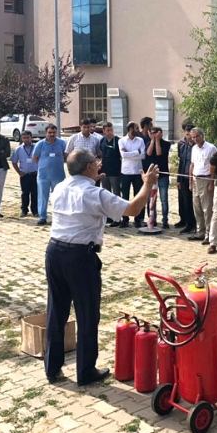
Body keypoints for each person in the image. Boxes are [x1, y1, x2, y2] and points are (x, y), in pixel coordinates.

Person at [44, 149, 159, 386]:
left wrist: (91, 180)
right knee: (87, 315)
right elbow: (133, 209)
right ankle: (85, 371)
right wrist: (147, 184)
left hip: (55, 252)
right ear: (88, 168)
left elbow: (81, 194)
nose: (98, 165)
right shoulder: (96, 194)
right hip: (80, 257)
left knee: (57, 312)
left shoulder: (61, 187)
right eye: (95, 163)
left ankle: (52, 368)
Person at [33, 124, 67, 226]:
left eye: (53, 133)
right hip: (43, 176)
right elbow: (35, 158)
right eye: (49, 132)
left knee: (59, 197)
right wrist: (44, 165)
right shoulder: (40, 144)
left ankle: (59, 217)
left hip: (58, 176)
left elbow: (66, 156)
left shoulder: (62, 143)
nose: (52, 134)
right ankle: (43, 217)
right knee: (43, 197)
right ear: (46, 133)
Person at [188, 127, 217, 243]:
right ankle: (200, 232)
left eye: (197, 136)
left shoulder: (211, 148)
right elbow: (192, 165)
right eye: (193, 137)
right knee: (197, 208)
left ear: (202, 136)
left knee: (207, 209)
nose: (195, 139)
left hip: (206, 180)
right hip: (195, 179)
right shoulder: (194, 148)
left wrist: (211, 183)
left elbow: (214, 168)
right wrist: (190, 182)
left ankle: (209, 234)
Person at [118, 121, 146, 228]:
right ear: (130, 129)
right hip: (126, 172)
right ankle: (125, 219)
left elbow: (143, 155)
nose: (138, 130)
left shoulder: (140, 140)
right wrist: (136, 152)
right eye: (136, 128)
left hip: (138, 172)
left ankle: (138, 219)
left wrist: (132, 153)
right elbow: (123, 155)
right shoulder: (122, 141)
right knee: (124, 197)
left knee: (138, 196)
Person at [146, 125, 171, 228]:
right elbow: (149, 153)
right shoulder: (148, 143)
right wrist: (152, 141)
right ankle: (153, 219)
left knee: (164, 199)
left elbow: (159, 153)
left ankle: (165, 220)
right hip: (152, 175)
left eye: (156, 133)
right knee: (152, 199)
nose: (154, 135)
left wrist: (157, 141)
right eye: (153, 133)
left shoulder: (166, 144)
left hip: (163, 174)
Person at [10, 130, 39, 218]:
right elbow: (14, 162)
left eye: (28, 137)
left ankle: (35, 211)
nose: (26, 139)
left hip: (35, 174)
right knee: (25, 193)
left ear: (31, 138)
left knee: (35, 193)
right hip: (24, 175)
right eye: (24, 138)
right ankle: (24, 210)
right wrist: (19, 172)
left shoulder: (37, 147)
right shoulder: (18, 149)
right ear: (22, 139)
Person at [98, 122, 121, 225]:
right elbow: (101, 154)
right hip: (104, 171)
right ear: (103, 131)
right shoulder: (102, 140)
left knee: (116, 195)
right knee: (106, 195)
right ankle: (109, 217)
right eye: (107, 130)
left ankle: (117, 218)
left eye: (111, 130)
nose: (110, 132)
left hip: (115, 171)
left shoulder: (118, 140)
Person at [175, 123, 196, 234]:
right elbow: (181, 161)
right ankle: (184, 220)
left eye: (190, 134)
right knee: (183, 200)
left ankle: (192, 223)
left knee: (191, 201)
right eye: (187, 134)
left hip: (193, 177)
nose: (188, 136)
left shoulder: (197, 146)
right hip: (183, 175)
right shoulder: (181, 144)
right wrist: (178, 179)